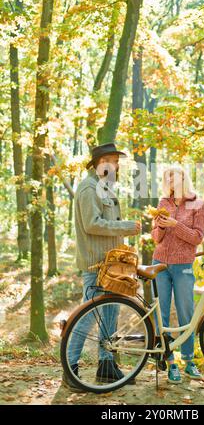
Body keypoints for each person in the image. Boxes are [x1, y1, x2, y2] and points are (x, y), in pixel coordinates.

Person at [63, 142, 141, 391]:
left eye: (117, 161)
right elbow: (92, 224)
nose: (115, 165)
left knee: (110, 315)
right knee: (86, 318)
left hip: (113, 265)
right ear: (98, 162)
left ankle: (106, 367)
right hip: (96, 265)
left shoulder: (104, 187)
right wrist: (126, 226)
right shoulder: (88, 188)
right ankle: (70, 371)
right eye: (111, 160)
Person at [151, 166, 204, 384]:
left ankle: (188, 360)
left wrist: (175, 225)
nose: (169, 181)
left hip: (183, 265)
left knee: (186, 313)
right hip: (160, 265)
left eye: (172, 177)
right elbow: (156, 238)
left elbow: (197, 238)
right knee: (161, 315)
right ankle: (169, 362)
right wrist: (162, 227)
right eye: (167, 178)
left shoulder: (199, 204)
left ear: (183, 178)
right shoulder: (163, 203)